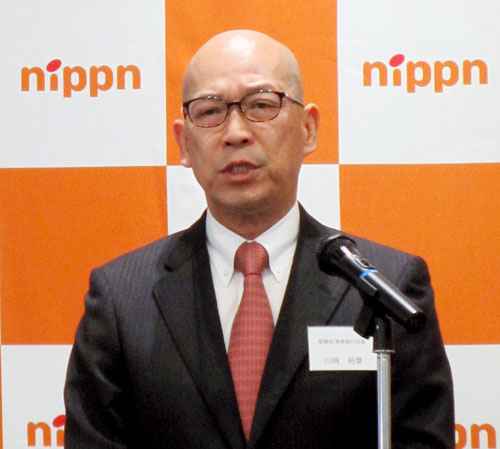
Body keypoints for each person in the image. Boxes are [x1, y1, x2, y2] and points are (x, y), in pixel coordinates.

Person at [64, 30, 454, 448]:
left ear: (308, 129)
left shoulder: (386, 287)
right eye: (210, 111)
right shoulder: (122, 299)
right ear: (184, 143)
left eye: (262, 105)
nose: (236, 133)